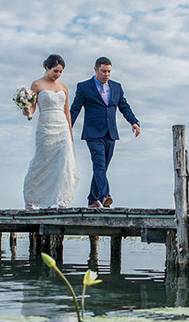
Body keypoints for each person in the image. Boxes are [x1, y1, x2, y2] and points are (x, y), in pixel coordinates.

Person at [70, 57, 141, 209]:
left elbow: (124, 106)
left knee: (102, 168)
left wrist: (134, 122)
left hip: (111, 133)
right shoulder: (84, 87)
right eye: (103, 71)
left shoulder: (116, 87)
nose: (106, 74)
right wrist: (67, 127)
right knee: (99, 165)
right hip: (93, 133)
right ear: (96, 70)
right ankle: (105, 196)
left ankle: (92, 200)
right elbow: (75, 108)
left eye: (109, 71)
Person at [22, 54, 80, 209]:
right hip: (46, 126)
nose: (58, 74)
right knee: (42, 162)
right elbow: (32, 109)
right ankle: (32, 198)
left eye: (60, 72)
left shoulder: (63, 87)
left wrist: (70, 132)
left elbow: (67, 111)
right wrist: (26, 110)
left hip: (62, 127)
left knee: (64, 162)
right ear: (47, 67)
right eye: (55, 71)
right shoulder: (37, 85)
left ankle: (62, 199)